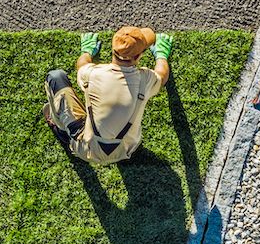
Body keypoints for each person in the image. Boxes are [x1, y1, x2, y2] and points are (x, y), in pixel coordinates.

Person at [44, 27, 173, 164]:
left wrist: (87, 51)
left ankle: (62, 131)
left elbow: (82, 64)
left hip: (87, 150)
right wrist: (161, 55)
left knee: (55, 77)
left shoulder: (92, 73)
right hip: (127, 149)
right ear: (138, 56)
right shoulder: (145, 79)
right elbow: (162, 75)